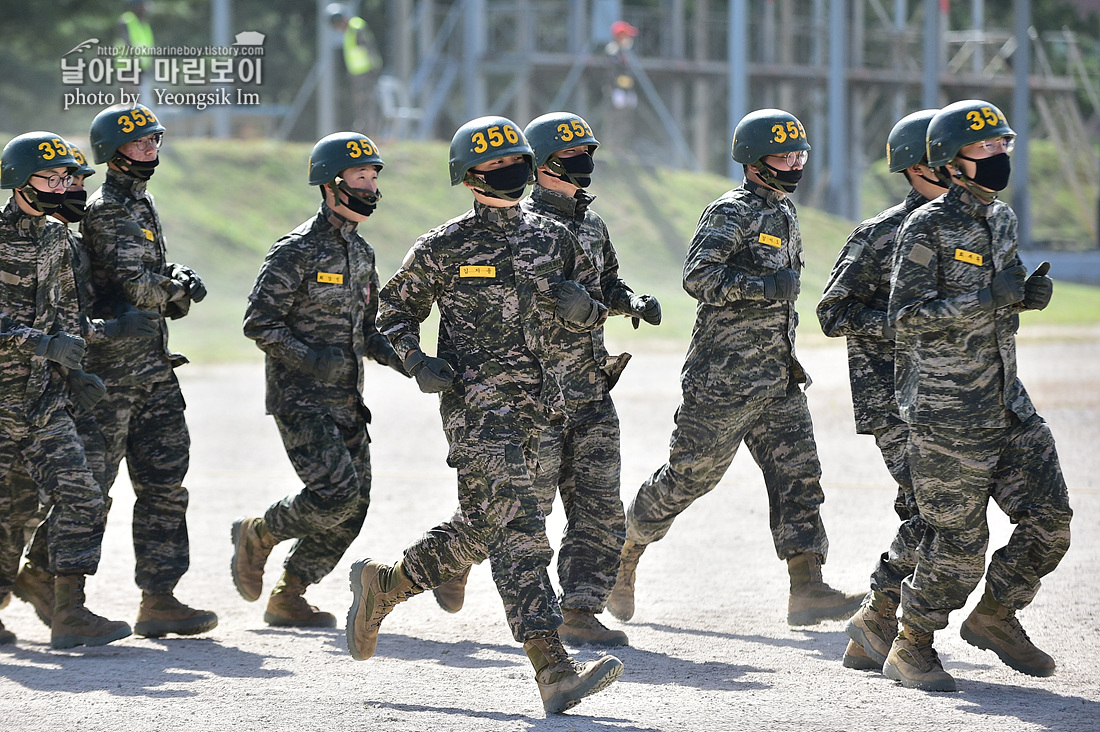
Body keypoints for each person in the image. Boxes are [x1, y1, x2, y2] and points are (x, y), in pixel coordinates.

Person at [344, 116, 623, 715]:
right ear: (469, 178)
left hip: (545, 414)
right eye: (495, 166)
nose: (510, 172)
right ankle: (553, 669)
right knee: (521, 535)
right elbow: (387, 318)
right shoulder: (443, 247)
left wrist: (589, 311)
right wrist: (416, 361)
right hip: (478, 415)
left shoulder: (557, 238)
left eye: (517, 161)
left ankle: (385, 587)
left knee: (485, 527)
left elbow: (596, 305)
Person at [607, 109, 862, 627]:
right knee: (688, 479)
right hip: (723, 379)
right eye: (784, 156)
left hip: (776, 377)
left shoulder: (785, 213)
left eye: (800, 155)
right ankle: (624, 549)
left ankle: (807, 587)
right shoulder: (731, 212)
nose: (794, 165)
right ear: (753, 161)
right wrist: (760, 287)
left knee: (799, 475)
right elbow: (697, 276)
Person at [430, 112, 661, 648]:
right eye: (574, 154)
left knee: (600, 505)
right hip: (534, 394)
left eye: (588, 153)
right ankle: (448, 557)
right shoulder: (517, 223)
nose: (585, 164)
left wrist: (630, 302)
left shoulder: (590, 225)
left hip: (588, 386)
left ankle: (579, 607)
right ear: (546, 164)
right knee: (517, 508)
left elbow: (604, 282)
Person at [884, 99, 1072, 691]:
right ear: (952, 159)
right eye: (987, 147)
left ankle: (994, 616)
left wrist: (1022, 295)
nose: (999, 156)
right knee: (959, 546)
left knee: (1050, 520)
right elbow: (906, 318)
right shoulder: (926, 227)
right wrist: (988, 298)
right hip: (947, 413)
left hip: (1006, 403)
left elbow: (1000, 294)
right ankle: (911, 644)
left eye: (1003, 146)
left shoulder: (1002, 219)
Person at [232, 132, 406, 628]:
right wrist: (309, 360)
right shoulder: (296, 251)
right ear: (331, 185)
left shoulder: (363, 253)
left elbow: (369, 333)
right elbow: (259, 322)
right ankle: (259, 533)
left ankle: (290, 593)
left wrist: (413, 362)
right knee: (334, 493)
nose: (370, 186)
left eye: (374, 177)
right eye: (360, 177)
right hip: (300, 399)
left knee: (354, 507)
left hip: (348, 401)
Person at [76, 103, 218, 639]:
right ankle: (60, 592)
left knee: (165, 485)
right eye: (139, 144)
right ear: (112, 153)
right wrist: (177, 289)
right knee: (93, 486)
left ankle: (159, 598)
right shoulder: (107, 209)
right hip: (112, 376)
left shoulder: (142, 203)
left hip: (154, 371)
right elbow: (136, 287)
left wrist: (175, 278)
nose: (150, 152)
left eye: (155, 142)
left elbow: (149, 277)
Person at [816, 109, 947, 671]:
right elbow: (833, 311)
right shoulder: (881, 234)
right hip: (893, 398)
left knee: (933, 510)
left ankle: (872, 626)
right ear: (918, 167)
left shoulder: (971, 227)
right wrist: (903, 322)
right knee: (932, 509)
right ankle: (880, 620)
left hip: (952, 396)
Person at [12, 142, 160, 633]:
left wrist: (77, 365)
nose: (61, 189)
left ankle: (69, 612)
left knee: (84, 494)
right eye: (50, 180)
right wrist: (42, 343)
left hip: (40, 399)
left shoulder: (56, 236)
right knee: (10, 511)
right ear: (19, 180)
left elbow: (65, 314)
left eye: (64, 180)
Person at [328, 3, 383, 133]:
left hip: (366, 73)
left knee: (367, 104)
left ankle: (371, 133)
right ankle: (364, 131)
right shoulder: (349, 31)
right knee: (360, 106)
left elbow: (369, 48)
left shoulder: (356, 28)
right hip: (358, 75)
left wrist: (374, 68)